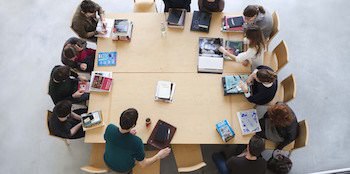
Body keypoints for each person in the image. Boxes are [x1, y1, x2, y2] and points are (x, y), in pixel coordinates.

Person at [104, 108, 171, 173]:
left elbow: (114, 138)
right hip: (123, 169)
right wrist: (159, 156)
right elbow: (143, 164)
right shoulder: (136, 142)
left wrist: (128, 133)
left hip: (107, 161)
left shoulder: (110, 128)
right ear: (133, 125)